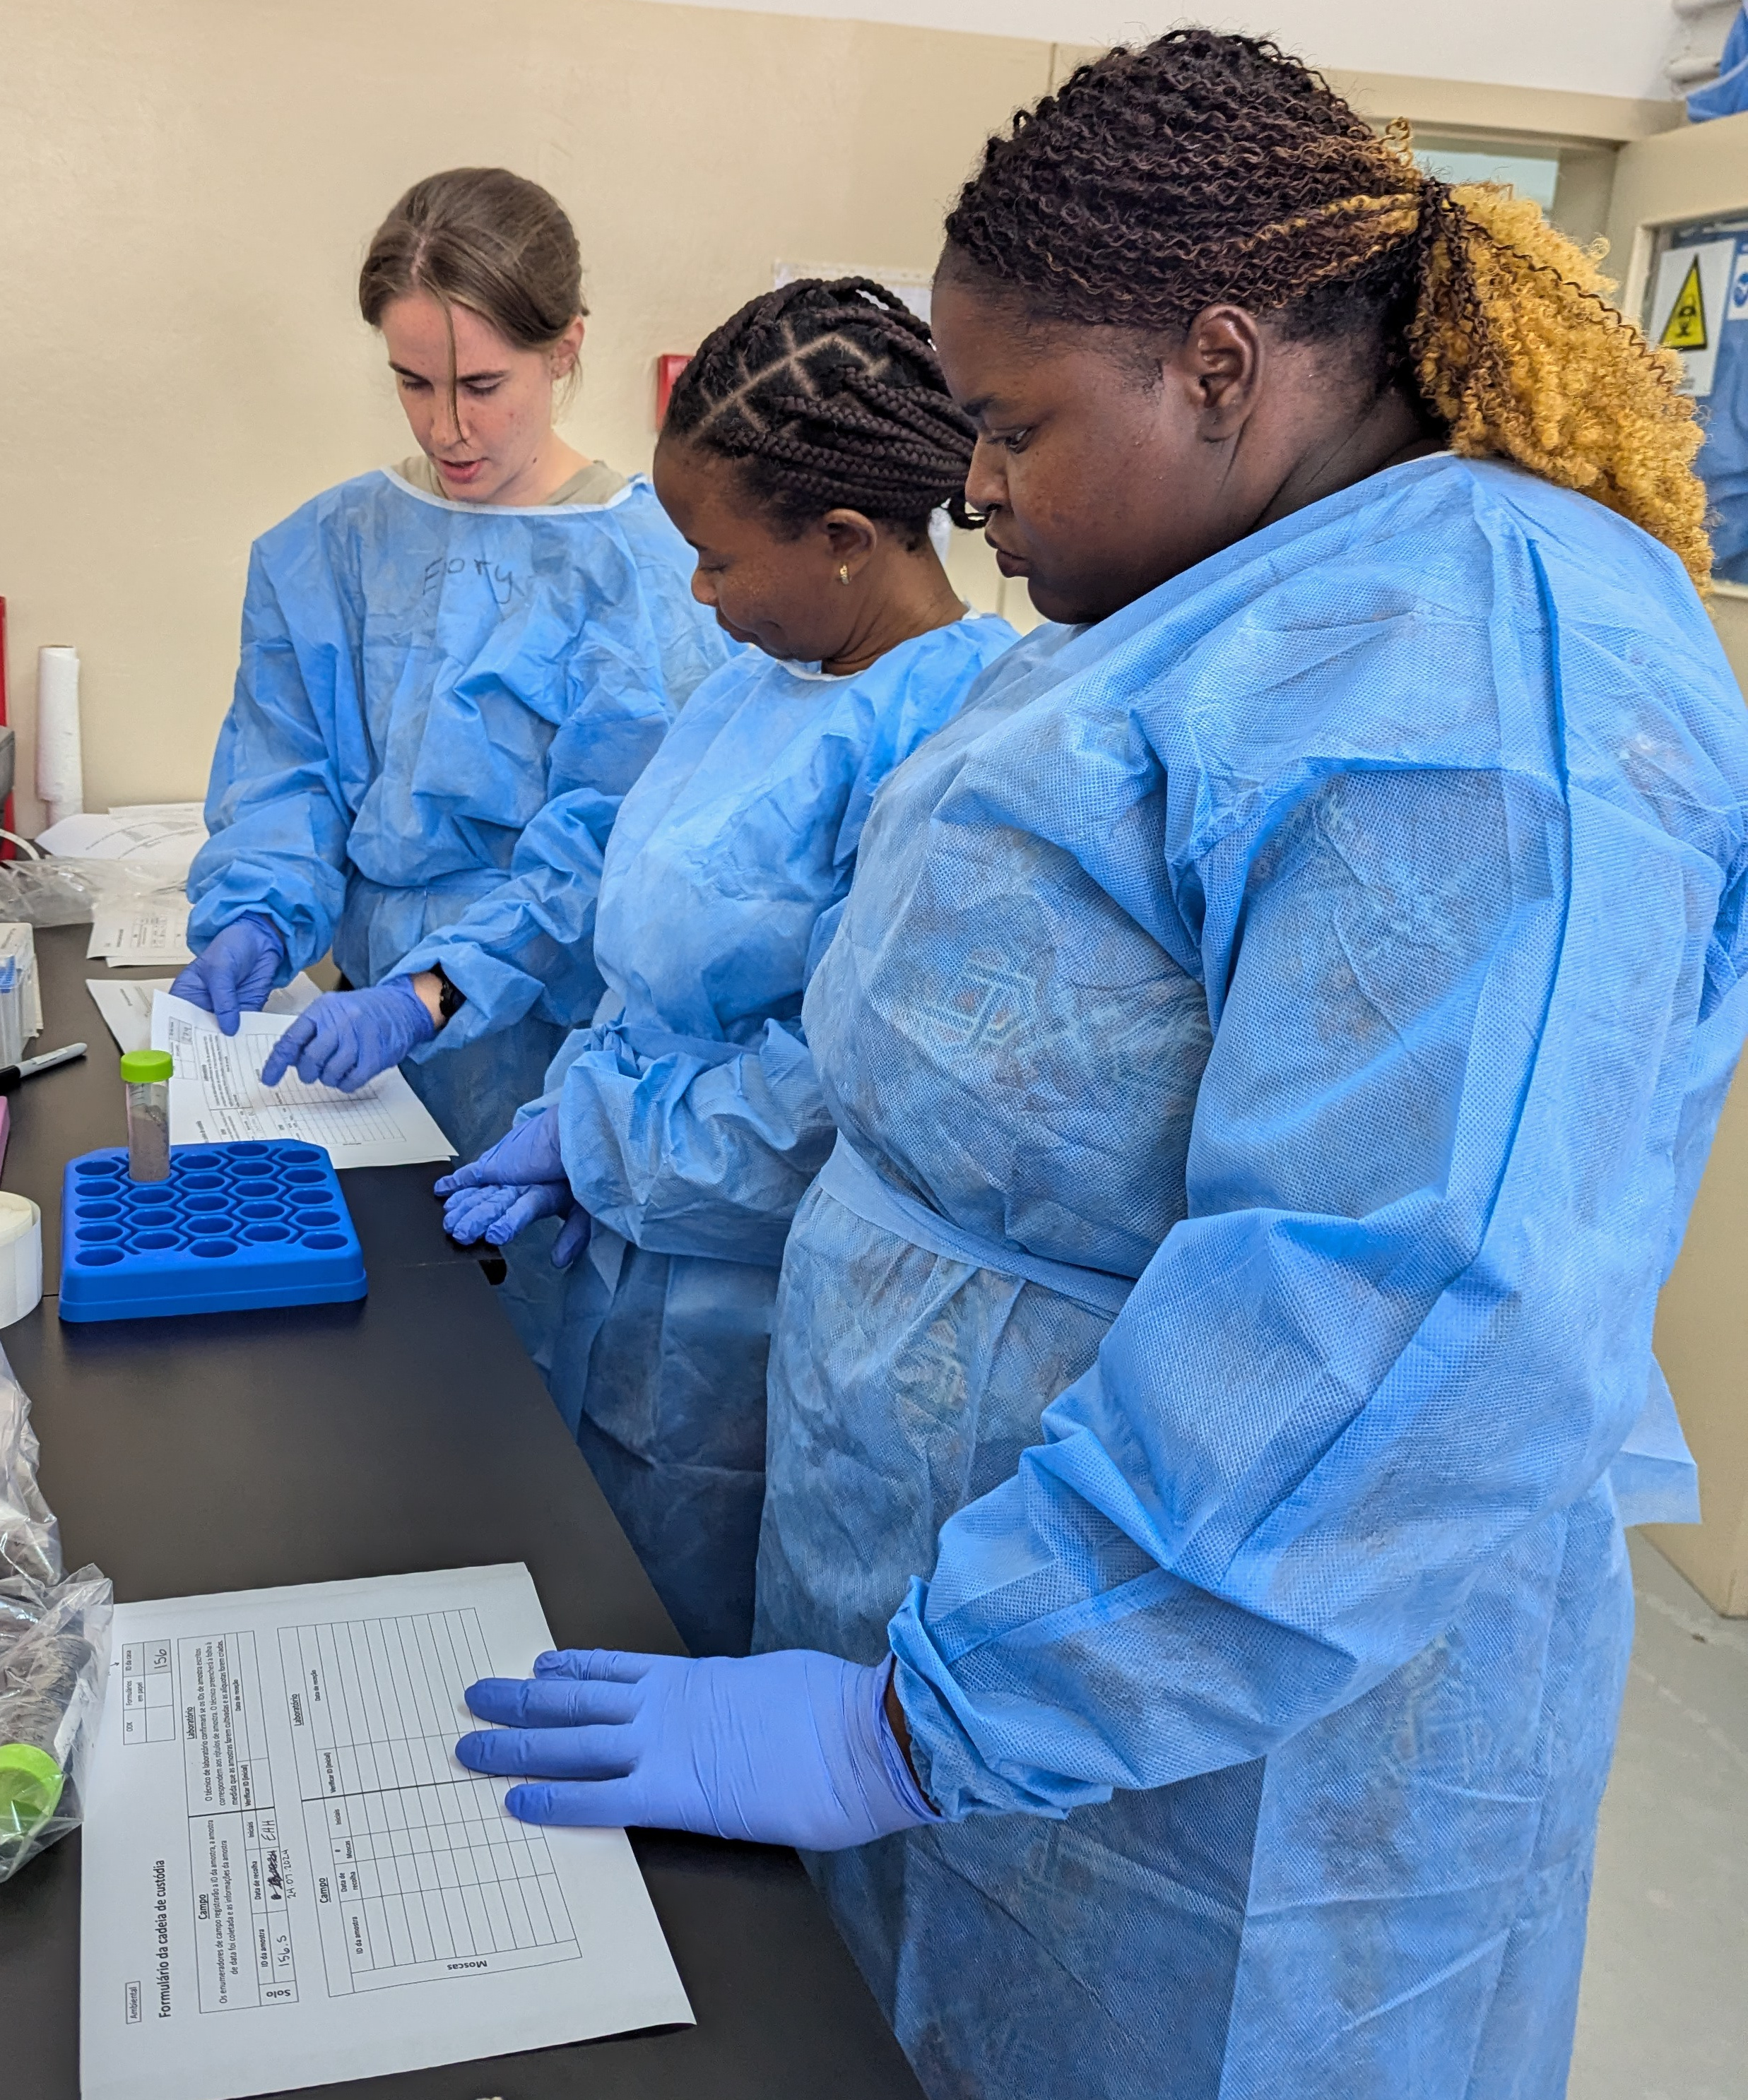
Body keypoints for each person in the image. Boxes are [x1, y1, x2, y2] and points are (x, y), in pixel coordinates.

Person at [447, 33, 1748, 2100]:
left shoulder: (1477, 664)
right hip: (993, 1659)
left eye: (1011, 425)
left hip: (1225, 1757)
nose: (971, 485)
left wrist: (925, 1716)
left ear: (1220, 363)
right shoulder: (1202, 600)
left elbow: (1406, 1302)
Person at [436, 279, 1016, 1655]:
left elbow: (843, 1106)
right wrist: (571, 1105)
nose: (693, 591)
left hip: (758, 1355)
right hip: (633, 1291)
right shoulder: (756, 686)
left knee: (702, 1698)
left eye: (715, 556)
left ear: (844, 541)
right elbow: (644, 966)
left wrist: (597, 1135)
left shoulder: (957, 750)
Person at [174, 168, 728, 1168]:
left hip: (547, 1057)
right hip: (358, 1045)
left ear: (564, 349)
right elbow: (286, 765)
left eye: (481, 386)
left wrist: (437, 990)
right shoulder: (331, 545)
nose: (445, 428)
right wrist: (257, 907)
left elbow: (610, 854)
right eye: (412, 382)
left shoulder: (644, 569)